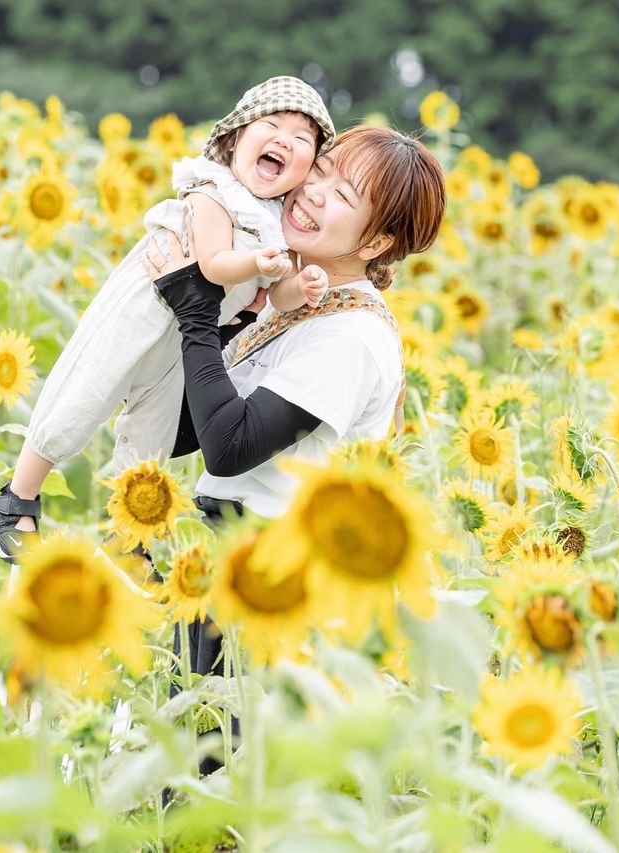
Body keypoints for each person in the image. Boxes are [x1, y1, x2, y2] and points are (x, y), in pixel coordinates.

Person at [146, 124, 447, 691]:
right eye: (323, 171)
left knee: (225, 765)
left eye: (342, 196)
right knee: (194, 762)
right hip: (227, 557)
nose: (312, 192)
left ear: (377, 242)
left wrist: (196, 311)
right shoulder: (298, 300)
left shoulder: (351, 335)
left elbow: (230, 447)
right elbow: (186, 431)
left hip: (276, 578)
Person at [0, 77, 336, 559]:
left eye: (303, 140)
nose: (285, 139)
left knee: (149, 434)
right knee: (83, 396)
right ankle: (17, 500)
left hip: (188, 337)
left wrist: (302, 286)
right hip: (142, 311)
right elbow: (213, 264)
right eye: (272, 124)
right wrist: (259, 264)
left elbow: (277, 296)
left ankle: (127, 536)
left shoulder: (281, 225)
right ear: (235, 137)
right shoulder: (214, 193)